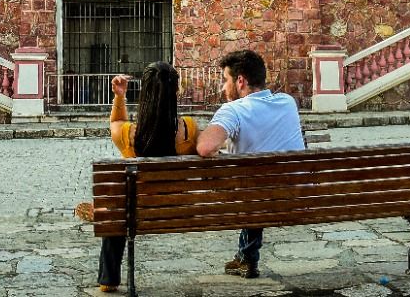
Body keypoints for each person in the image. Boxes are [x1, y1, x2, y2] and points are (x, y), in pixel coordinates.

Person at [196, 49, 304, 279]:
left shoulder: (233, 110)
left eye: (225, 81)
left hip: (252, 198)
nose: (223, 88)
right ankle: (245, 258)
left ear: (241, 81)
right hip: (296, 195)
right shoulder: (287, 102)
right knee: (259, 182)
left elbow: (205, 148)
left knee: (251, 188)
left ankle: (246, 258)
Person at [94, 62, 198, 293]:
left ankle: (108, 280)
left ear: (144, 94)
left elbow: (115, 122)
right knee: (120, 209)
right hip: (178, 211)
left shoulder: (129, 136)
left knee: (117, 211)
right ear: (176, 92)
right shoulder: (189, 130)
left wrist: (119, 96)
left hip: (135, 213)